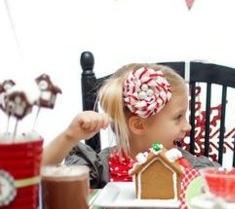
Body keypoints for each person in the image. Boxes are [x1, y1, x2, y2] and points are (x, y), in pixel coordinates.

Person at [42, 63, 217, 187]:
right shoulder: (100, 168)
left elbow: (217, 191)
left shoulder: (187, 165)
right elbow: (39, 179)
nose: (188, 127)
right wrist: (69, 137)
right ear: (139, 125)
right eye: (178, 117)